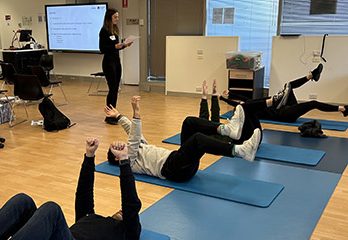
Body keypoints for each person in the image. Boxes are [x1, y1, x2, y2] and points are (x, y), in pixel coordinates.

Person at [0, 138, 142, 240]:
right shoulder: (91, 217)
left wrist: (124, 160)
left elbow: (130, 202)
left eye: (125, 213)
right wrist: (89, 156)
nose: (122, 210)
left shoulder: (127, 232)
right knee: (23, 201)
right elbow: (84, 193)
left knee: (52, 209)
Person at [104, 96, 261, 183]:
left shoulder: (139, 149)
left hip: (179, 162)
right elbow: (133, 138)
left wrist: (119, 117)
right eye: (117, 149)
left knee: (189, 123)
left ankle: (227, 130)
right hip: (174, 170)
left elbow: (133, 133)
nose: (120, 144)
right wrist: (135, 112)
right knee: (197, 139)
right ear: (118, 158)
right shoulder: (129, 162)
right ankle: (240, 151)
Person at [219, 64, 348, 123]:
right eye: (239, 105)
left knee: (289, 86)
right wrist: (223, 99)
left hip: (284, 107)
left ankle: (312, 76)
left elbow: (244, 98)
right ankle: (341, 109)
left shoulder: (248, 104)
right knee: (311, 102)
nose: (241, 103)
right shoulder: (247, 109)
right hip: (284, 114)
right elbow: (239, 103)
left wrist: (230, 93)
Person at [99, 8, 133, 125]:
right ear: (109, 18)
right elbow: (102, 49)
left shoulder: (115, 30)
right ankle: (109, 116)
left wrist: (125, 45)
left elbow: (116, 46)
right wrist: (115, 47)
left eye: (117, 17)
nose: (117, 19)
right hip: (108, 62)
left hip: (116, 61)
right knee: (112, 89)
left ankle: (113, 113)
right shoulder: (104, 31)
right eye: (115, 17)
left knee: (115, 89)